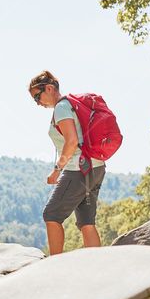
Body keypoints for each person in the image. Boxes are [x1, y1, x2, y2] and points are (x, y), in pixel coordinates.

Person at [28, 71, 106, 255]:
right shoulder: (72, 105)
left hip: (78, 169)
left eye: (37, 97)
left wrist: (57, 170)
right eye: (35, 100)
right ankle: (98, 265)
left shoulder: (61, 108)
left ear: (49, 88)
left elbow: (71, 142)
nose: (38, 103)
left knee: (51, 214)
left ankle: (55, 266)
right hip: (96, 168)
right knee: (86, 221)